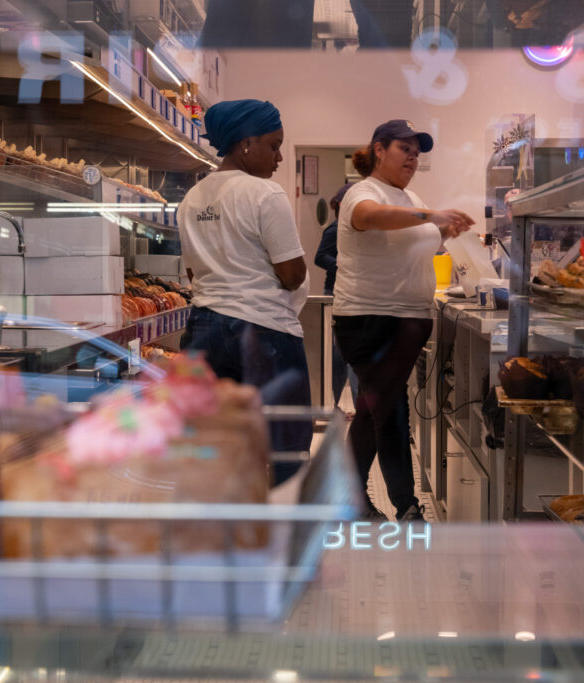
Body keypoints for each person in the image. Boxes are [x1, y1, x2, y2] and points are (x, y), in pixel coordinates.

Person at [333, 120, 474, 521]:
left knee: (372, 408)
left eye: (417, 152)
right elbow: (371, 217)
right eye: (404, 149)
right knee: (391, 408)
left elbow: (411, 245)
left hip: (407, 321)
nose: (413, 157)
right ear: (379, 150)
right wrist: (432, 214)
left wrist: (444, 232)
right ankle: (406, 505)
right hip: (368, 319)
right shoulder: (363, 193)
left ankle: (349, 496)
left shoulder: (409, 196)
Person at [178, 99, 311, 484]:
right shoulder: (264, 194)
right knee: (286, 445)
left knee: (215, 446)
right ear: (246, 144)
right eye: (274, 145)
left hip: (204, 331)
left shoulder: (191, 199)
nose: (279, 157)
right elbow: (292, 274)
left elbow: (193, 271)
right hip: (263, 331)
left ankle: (223, 520)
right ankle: (283, 519)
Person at [314, 183, 359, 410]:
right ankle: (333, 406)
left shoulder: (354, 230)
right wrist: (344, 266)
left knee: (345, 356)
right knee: (341, 356)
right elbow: (320, 257)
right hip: (335, 293)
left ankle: (339, 408)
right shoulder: (335, 229)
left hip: (352, 295)